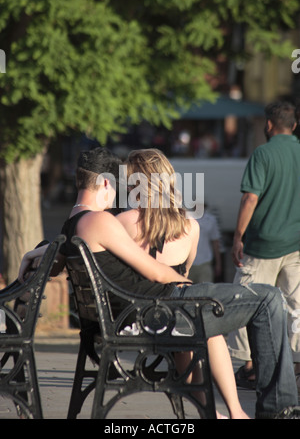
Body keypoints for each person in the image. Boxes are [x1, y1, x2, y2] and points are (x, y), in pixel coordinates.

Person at [19, 146, 299, 419]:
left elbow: (69, 245)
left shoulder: (86, 222)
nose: (121, 192)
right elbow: (157, 273)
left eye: (128, 184)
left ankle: (237, 410)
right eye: (118, 185)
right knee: (269, 298)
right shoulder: (102, 221)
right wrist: (187, 285)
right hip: (162, 307)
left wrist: (40, 250)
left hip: (153, 308)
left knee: (258, 301)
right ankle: (273, 409)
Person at [117, 148, 248, 419]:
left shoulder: (123, 223)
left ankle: (212, 411)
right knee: (205, 325)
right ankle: (234, 411)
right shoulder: (192, 227)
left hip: (137, 317)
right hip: (177, 316)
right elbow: (183, 277)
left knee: (194, 325)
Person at [228, 100, 300, 391]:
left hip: (262, 245)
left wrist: (237, 236)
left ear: (268, 125)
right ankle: (296, 364)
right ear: (294, 125)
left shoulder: (263, 153)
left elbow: (250, 198)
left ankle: (250, 366)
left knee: (243, 301)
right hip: (296, 245)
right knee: (297, 306)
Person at [189, 205, 222, 284]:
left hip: (205, 262)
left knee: (204, 293)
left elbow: (215, 242)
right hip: (188, 263)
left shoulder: (211, 219)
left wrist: (218, 263)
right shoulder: (186, 218)